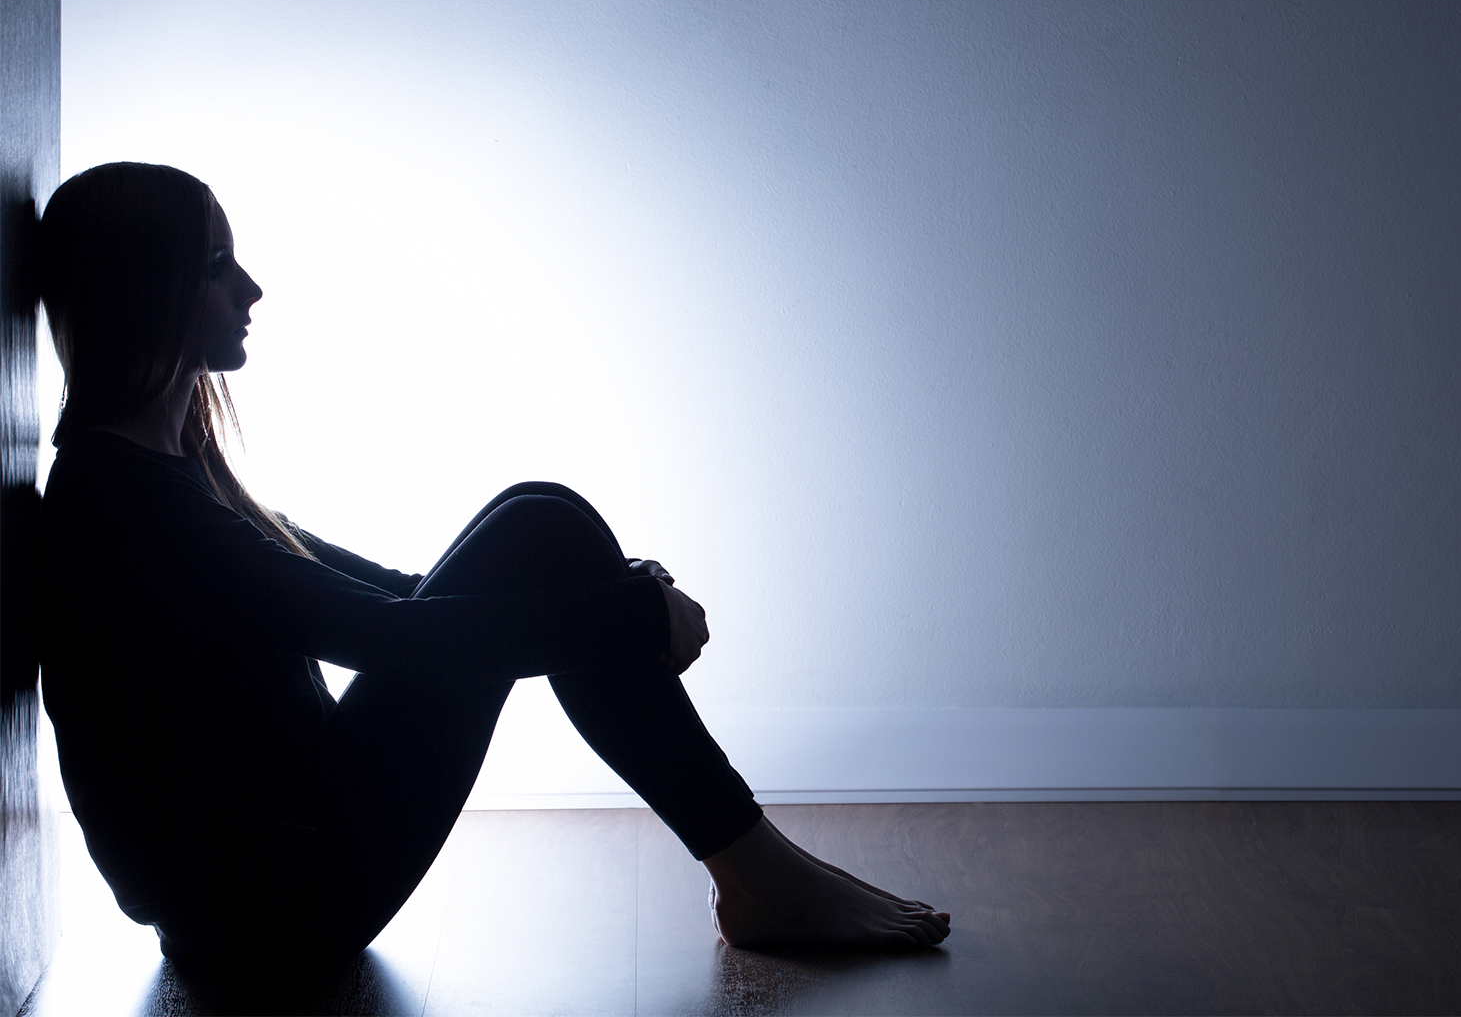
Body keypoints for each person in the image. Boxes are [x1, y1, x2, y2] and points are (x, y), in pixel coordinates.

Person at [33, 161, 949, 992]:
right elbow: (384, 637)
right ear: (143, 291)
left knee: (538, 521)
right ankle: (757, 872)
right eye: (216, 267)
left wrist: (607, 594)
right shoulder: (125, 506)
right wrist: (626, 614)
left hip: (280, 873)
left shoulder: (166, 467)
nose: (252, 289)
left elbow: (388, 593)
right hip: (270, 916)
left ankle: (755, 872)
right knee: (540, 529)